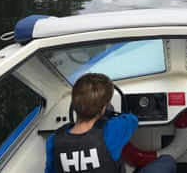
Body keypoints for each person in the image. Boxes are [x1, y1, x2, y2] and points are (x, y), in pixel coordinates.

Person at [45, 73, 176, 173]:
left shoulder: (53, 141)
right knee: (168, 160)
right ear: (103, 109)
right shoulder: (113, 129)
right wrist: (110, 115)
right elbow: (133, 120)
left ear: (73, 104)